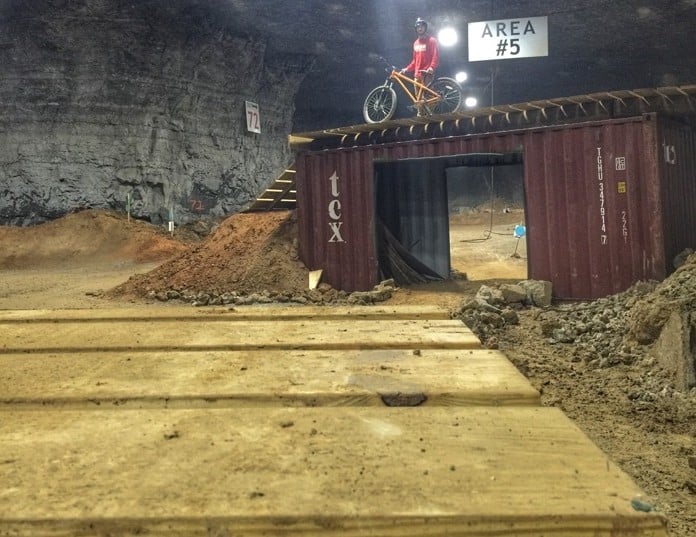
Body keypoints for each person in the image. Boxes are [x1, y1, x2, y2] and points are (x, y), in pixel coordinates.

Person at [401, 17, 439, 86]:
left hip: (426, 74)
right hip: (417, 75)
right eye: (418, 27)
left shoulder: (431, 40)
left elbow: (435, 55)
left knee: (428, 93)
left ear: (425, 28)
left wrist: (432, 67)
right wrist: (407, 69)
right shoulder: (416, 43)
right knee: (417, 94)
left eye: (422, 27)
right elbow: (415, 61)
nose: (420, 29)